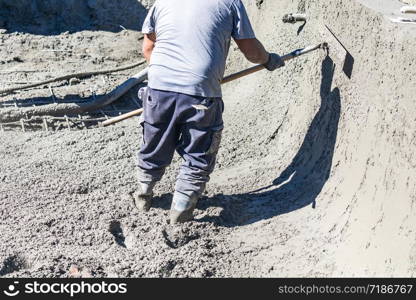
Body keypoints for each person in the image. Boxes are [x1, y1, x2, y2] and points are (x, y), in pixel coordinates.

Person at [135, 0, 284, 224]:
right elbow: (250, 50)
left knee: (155, 138)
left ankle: (144, 193)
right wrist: (268, 59)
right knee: (199, 150)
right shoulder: (229, 2)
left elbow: (148, 49)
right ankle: (180, 211)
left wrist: (170, 78)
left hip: (158, 88)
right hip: (200, 90)